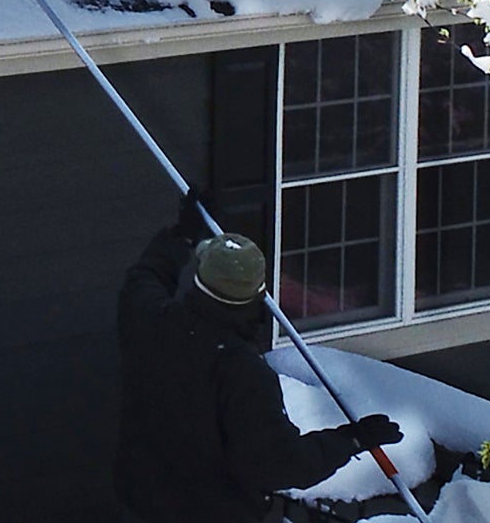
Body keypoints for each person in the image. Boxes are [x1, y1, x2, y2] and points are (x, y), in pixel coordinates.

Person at [114, 194, 404, 523]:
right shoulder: (241, 371)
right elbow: (278, 463)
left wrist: (182, 234)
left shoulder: (151, 320)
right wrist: (349, 440)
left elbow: (145, 275)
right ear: (257, 295)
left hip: (141, 505)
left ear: (200, 276)